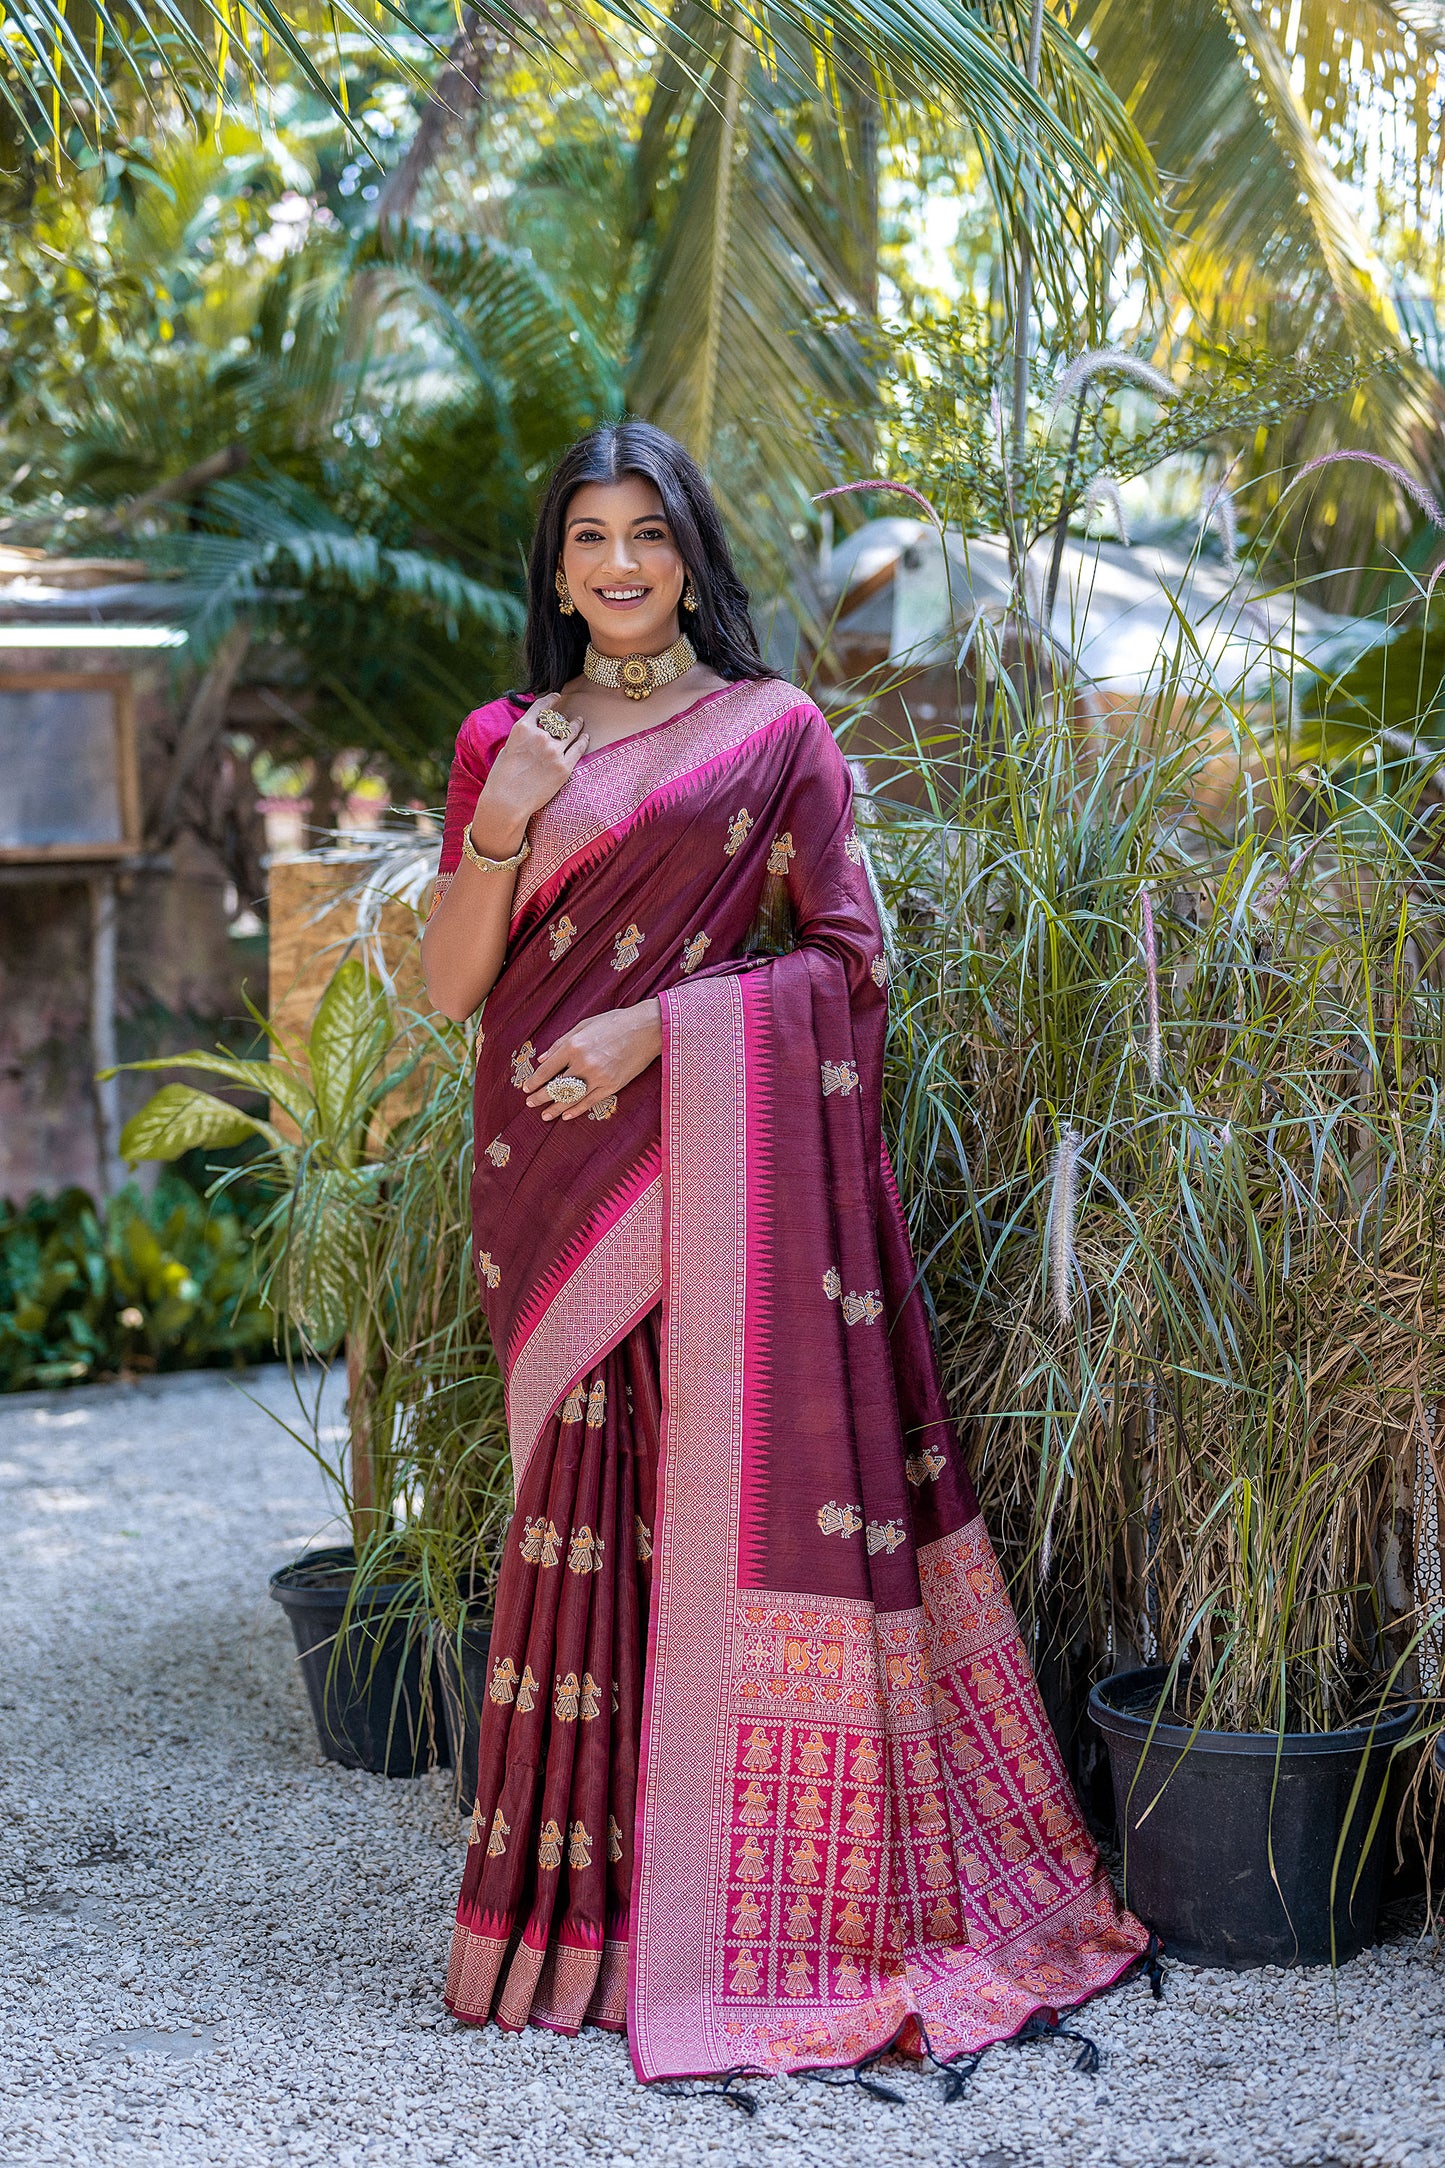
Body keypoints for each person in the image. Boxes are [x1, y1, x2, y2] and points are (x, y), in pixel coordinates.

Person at [422, 421, 1145, 2085]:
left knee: (702, 1512)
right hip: (545, 1182)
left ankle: (740, 1918)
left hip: (696, 1167)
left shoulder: (775, 734)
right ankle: (574, 1933)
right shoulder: (503, 741)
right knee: (577, 1526)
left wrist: (653, 1036)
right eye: (586, 537)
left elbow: (849, 961)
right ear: (554, 568)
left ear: (691, 557)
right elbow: (452, 993)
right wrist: (501, 824)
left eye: (647, 535)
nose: (616, 564)